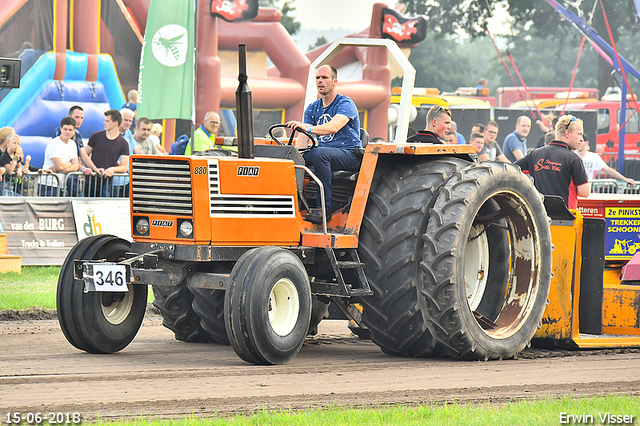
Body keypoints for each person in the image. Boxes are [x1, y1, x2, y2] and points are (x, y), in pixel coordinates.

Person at [285, 64, 361, 224]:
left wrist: (308, 127)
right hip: (326, 153)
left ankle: (323, 209)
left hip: (348, 153)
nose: (320, 81)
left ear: (334, 81)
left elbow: (333, 126)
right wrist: (295, 155)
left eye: (325, 77)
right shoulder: (313, 108)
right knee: (290, 157)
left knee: (321, 154)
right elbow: (304, 137)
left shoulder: (345, 104)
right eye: (318, 78)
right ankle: (293, 204)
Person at [515, 115, 590, 209]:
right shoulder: (573, 159)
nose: (582, 139)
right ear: (567, 133)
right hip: (566, 218)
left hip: (539, 217)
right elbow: (585, 192)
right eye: (579, 134)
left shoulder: (535, 154)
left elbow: (513, 170)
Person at [81, 109, 130, 197]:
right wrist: (83, 169)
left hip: (107, 183)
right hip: (90, 181)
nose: (104, 123)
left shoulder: (123, 143)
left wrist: (112, 169)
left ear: (116, 123)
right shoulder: (95, 137)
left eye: (107, 121)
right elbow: (84, 156)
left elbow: (123, 167)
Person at [39, 117, 79, 196]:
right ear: (61, 129)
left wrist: (59, 168)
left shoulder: (72, 144)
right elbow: (60, 166)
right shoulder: (54, 143)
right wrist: (68, 164)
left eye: (70, 130)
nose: (67, 132)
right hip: (49, 184)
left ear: (74, 130)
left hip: (62, 184)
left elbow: (75, 167)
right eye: (65, 129)